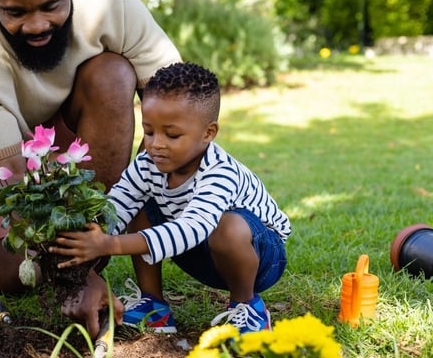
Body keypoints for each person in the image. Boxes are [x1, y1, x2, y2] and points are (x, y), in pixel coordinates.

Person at [0, 0, 181, 339]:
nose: (36, 25)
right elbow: (10, 178)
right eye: (15, 11)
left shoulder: (112, 4)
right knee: (13, 274)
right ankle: (81, 257)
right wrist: (76, 275)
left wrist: (149, 188)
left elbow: (177, 99)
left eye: (51, 5)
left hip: (84, 138)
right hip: (15, 162)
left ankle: (94, 240)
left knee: (112, 75)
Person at [48, 62, 291, 334]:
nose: (156, 144)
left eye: (172, 134)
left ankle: (247, 308)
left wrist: (109, 244)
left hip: (259, 258)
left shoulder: (219, 172)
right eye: (149, 131)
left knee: (229, 227)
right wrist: (85, 237)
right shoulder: (147, 164)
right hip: (200, 251)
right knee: (139, 202)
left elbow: (193, 228)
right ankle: (155, 308)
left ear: (208, 133)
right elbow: (117, 205)